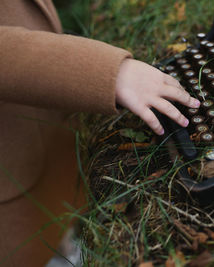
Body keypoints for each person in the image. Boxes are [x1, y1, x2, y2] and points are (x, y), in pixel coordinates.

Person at [0, 0, 199, 266]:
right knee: (35, 241)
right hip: (11, 169)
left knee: (59, 209)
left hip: (38, 127)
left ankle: (65, 244)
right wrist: (109, 73)